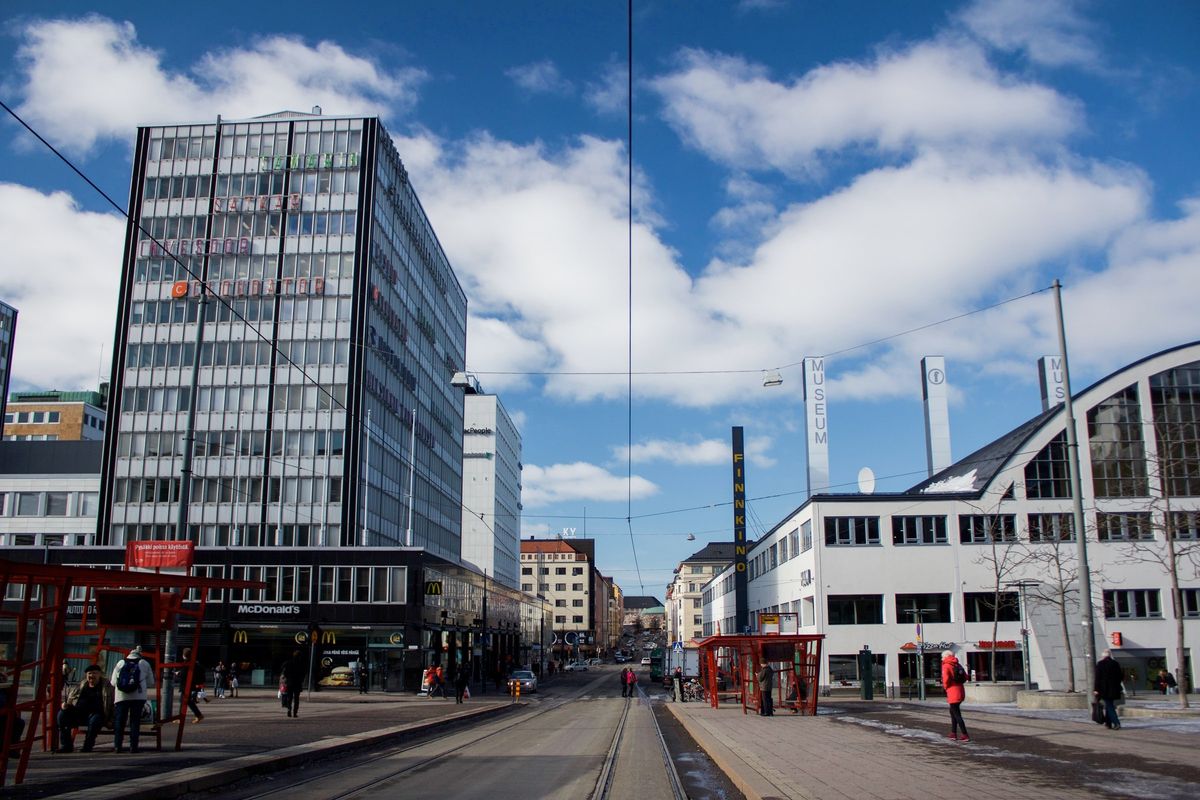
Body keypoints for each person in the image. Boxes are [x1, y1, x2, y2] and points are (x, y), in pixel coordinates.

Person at [57, 664, 114, 753]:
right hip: (79, 714)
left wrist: (111, 719)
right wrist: (66, 705)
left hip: (97, 715)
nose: (92, 676)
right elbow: (71, 699)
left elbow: (113, 705)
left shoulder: (107, 688)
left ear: (100, 674)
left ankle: (87, 746)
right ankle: (66, 745)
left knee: (95, 720)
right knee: (62, 714)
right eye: (89, 673)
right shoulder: (82, 685)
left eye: (94, 673)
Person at [111, 645, 155, 753]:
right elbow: (151, 682)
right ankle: (133, 747)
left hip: (121, 697)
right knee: (135, 722)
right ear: (140, 654)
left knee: (120, 721)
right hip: (138, 697)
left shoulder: (120, 663)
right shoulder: (144, 663)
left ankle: (118, 746)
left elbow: (112, 682)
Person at [941, 649, 970, 742]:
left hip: (952, 691)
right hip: (960, 690)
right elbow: (966, 677)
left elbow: (945, 679)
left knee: (957, 714)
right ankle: (953, 733)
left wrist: (945, 687)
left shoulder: (946, 665)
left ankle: (965, 734)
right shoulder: (957, 664)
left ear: (945, 657)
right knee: (953, 712)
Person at [1094, 650, 1124, 730]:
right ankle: (1108, 723)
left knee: (1110, 706)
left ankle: (1116, 722)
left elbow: (1098, 678)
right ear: (1109, 656)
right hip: (1114, 689)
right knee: (1109, 704)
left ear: (1103, 656)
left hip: (1104, 689)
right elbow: (1120, 676)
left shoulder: (1100, 664)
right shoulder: (1115, 663)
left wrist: (1096, 689)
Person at [176, 649, 206, 723]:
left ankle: (183, 718)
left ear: (184, 655)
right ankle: (198, 715)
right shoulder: (194, 662)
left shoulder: (187, 663)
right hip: (190, 685)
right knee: (187, 701)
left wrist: (178, 674)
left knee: (184, 701)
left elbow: (184, 674)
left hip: (186, 685)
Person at [281, 650, 306, 718]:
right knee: (296, 699)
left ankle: (289, 709)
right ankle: (295, 712)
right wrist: (301, 680)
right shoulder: (301, 664)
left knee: (290, 697)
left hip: (290, 683)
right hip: (297, 683)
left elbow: (284, 672)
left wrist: (287, 678)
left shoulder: (288, 663)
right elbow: (303, 673)